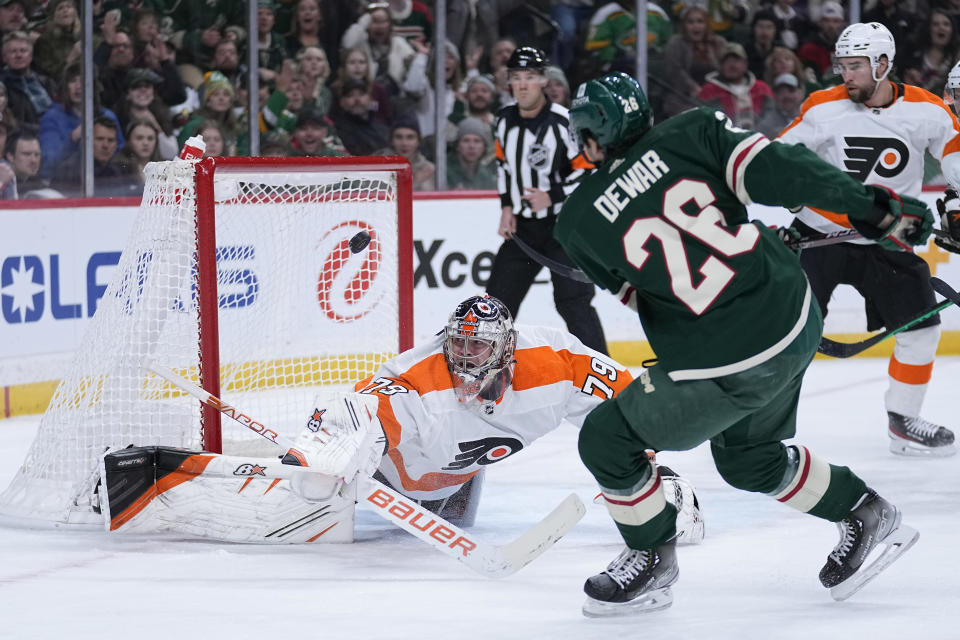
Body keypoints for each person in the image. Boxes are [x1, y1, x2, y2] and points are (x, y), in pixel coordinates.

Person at [555, 70, 927, 616]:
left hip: (729, 359)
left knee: (607, 439)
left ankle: (651, 559)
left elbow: (650, 300)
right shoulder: (695, 130)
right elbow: (786, 172)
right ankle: (865, 511)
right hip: (796, 315)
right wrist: (870, 205)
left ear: (591, 137)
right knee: (748, 460)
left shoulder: (578, 222)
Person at [101, 294, 705, 549]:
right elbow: (357, 409)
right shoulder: (418, 381)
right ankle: (157, 486)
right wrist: (324, 453)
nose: (465, 360)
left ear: (506, 350)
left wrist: (652, 474)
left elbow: (631, 407)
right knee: (310, 490)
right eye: (458, 348)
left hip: (456, 483)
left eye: (478, 350)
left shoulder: (558, 364)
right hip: (393, 483)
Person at [780, 22, 960, 457]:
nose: (847, 75)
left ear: (883, 64)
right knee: (787, 336)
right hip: (818, 238)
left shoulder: (927, 109)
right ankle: (764, 431)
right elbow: (778, 161)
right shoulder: (822, 107)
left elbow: (955, 155)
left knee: (921, 330)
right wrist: (790, 192)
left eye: (856, 66)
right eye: (843, 66)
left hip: (887, 241)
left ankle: (902, 421)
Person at [488, 46, 608, 355]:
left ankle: (607, 377)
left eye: (530, 77)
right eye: (516, 77)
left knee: (574, 302)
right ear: (509, 82)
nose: (523, 84)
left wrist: (552, 196)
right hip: (524, 230)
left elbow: (588, 171)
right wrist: (506, 207)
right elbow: (503, 165)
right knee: (497, 303)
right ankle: (486, 371)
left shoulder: (563, 123)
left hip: (563, 228)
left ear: (543, 80)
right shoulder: (503, 121)